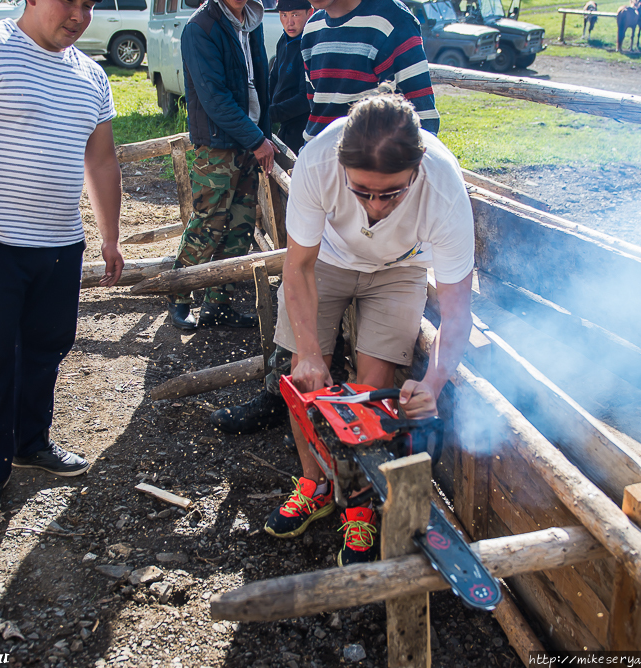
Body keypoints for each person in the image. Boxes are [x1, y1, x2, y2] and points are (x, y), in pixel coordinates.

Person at [0, 0, 124, 520]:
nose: (80, 14)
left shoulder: (91, 74)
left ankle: (31, 442)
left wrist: (110, 236)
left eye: (89, 4)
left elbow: (101, 160)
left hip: (60, 245)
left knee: (46, 349)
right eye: (70, 1)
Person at [259, 90, 474, 566]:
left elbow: (458, 313)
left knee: (371, 386)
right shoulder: (318, 163)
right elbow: (297, 268)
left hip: (399, 268)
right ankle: (315, 483)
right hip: (327, 260)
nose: (376, 206)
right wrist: (313, 352)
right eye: (362, 192)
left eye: (392, 193)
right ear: (342, 170)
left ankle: (356, 501)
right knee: (304, 374)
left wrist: (432, 383)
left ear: (417, 171)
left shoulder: (444, 189)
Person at [210, 0, 442, 434]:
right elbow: (315, 109)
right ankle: (286, 398)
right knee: (303, 346)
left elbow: (422, 124)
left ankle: (351, 452)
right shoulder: (314, 27)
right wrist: (316, 169)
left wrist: (376, 189)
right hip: (327, 186)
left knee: (371, 380)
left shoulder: (392, 23)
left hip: (375, 192)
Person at [167, 0, 277, 330]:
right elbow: (214, 97)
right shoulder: (201, 27)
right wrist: (257, 139)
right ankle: (179, 294)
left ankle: (219, 304)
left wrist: (262, 135)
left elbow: (261, 82)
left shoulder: (252, 20)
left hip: (249, 141)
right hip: (218, 145)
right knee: (208, 223)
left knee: (240, 226)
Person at [300, 0, 440, 141]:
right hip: (316, 154)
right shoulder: (312, 28)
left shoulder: (392, 19)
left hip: (371, 157)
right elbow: (316, 104)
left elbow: (423, 114)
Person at [267, 0, 313, 155]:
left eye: (295, 15)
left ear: (310, 13)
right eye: (284, 15)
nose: (289, 22)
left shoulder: (308, 45)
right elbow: (273, 79)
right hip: (284, 124)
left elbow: (305, 98)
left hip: (303, 127)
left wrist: (269, 114)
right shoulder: (283, 40)